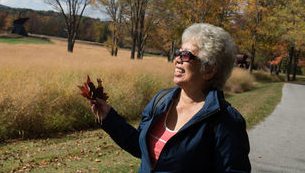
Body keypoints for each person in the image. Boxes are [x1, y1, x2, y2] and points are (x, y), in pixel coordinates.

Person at [90, 23, 251, 172]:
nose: (177, 59)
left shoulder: (226, 121)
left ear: (209, 70)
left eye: (186, 55)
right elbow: (141, 148)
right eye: (178, 53)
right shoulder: (161, 101)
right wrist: (108, 117)